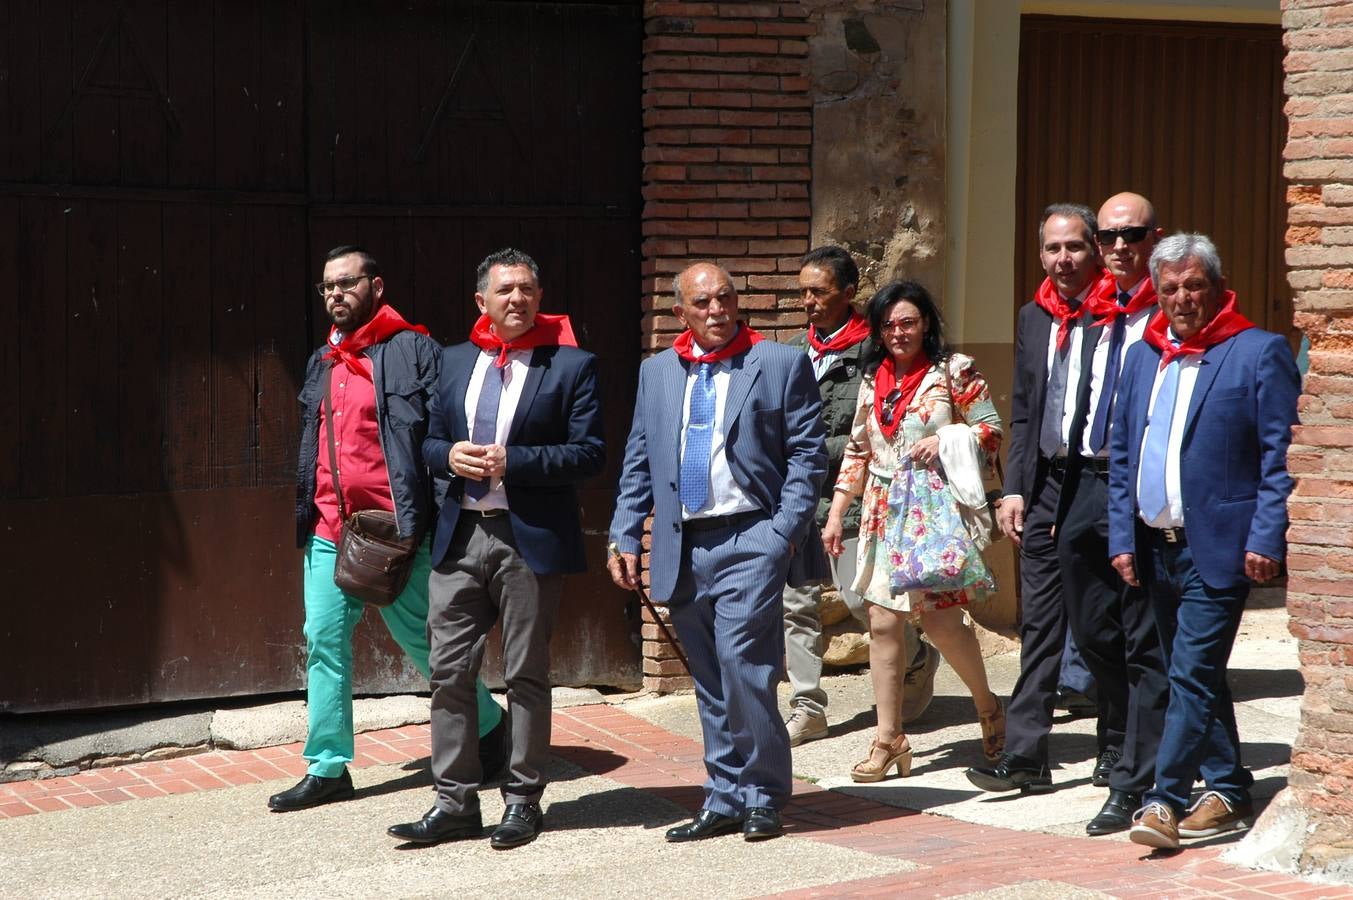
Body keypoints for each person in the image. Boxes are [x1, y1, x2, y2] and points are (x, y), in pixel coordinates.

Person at [269, 245, 505, 814]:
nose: (335, 295)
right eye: (327, 286)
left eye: (346, 283)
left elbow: (438, 431)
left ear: (376, 286)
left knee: (425, 644)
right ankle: (327, 766)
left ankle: (493, 727)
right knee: (322, 640)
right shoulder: (320, 361)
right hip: (332, 528)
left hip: (401, 530)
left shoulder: (415, 350)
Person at [387, 249, 605, 848]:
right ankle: (455, 802)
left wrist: (516, 462)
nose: (518, 299)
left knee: (526, 673)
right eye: (506, 289)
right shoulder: (455, 362)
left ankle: (522, 799)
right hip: (460, 536)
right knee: (448, 671)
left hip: (525, 540)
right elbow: (426, 440)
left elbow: (589, 454)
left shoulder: (570, 365)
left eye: (528, 289)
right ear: (480, 301)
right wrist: (447, 456)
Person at [608, 262, 828, 843]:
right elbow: (639, 459)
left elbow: (808, 457)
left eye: (724, 299)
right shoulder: (657, 372)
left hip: (752, 537)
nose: (716, 310)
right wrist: (625, 532)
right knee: (707, 676)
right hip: (682, 541)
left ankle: (761, 794)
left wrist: (781, 533)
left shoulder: (778, 362)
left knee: (743, 665)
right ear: (679, 313)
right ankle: (724, 794)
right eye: (701, 303)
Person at [1109, 234, 1298, 850]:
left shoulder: (1257, 352)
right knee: (1196, 673)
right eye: (1170, 289)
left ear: (1216, 287)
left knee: (1188, 673)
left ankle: (1163, 799)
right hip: (1154, 544)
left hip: (1220, 546)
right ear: (1157, 294)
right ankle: (1226, 786)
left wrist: (1268, 536)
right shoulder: (1144, 356)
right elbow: (1122, 458)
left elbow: (1281, 457)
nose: (1182, 299)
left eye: (1193, 286)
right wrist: (1123, 537)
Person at [822, 280, 1005, 782]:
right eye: (888, 325)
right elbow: (859, 451)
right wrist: (838, 512)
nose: (898, 332)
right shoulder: (871, 379)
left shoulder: (955, 371)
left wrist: (948, 437)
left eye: (908, 322)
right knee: (882, 622)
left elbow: (991, 427)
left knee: (944, 626)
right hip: (883, 513)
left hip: (931, 513)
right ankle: (889, 738)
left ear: (926, 323)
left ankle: (988, 707)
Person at [967, 204, 1104, 795]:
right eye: (1053, 249)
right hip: (1046, 483)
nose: (1063, 259)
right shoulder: (1033, 316)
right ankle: (1026, 755)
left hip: (1101, 481)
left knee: (1104, 625)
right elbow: (1023, 409)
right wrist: (1014, 488)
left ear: (1094, 249)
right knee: (1040, 622)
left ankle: (1120, 750)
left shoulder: (1118, 314)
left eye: (1075, 247)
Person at [783, 247, 939, 746]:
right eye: (803, 291)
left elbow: (875, 432)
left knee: (860, 601)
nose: (808, 301)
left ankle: (915, 655)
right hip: (797, 497)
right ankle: (807, 705)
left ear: (848, 294)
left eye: (819, 291)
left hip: (854, 497)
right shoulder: (789, 352)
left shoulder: (874, 353)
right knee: (796, 604)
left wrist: (812, 445)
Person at [1057, 192, 1170, 836]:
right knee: (1093, 630)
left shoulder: (1170, 310)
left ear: (1155, 236)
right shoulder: (1096, 314)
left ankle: (1137, 777)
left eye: (1132, 234)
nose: (1119, 246)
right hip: (1085, 481)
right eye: (1108, 236)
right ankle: (1131, 742)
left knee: (1142, 639)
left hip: (1142, 486)